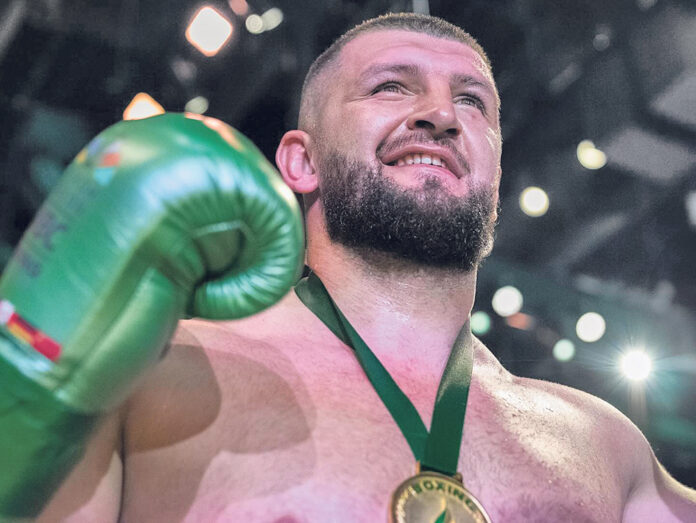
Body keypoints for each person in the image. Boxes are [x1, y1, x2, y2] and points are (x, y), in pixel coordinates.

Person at [2, 12, 695, 522]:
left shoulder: (604, 445)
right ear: (301, 161)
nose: (441, 114)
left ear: (494, 168)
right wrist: (23, 384)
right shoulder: (159, 377)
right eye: (391, 87)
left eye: (472, 101)